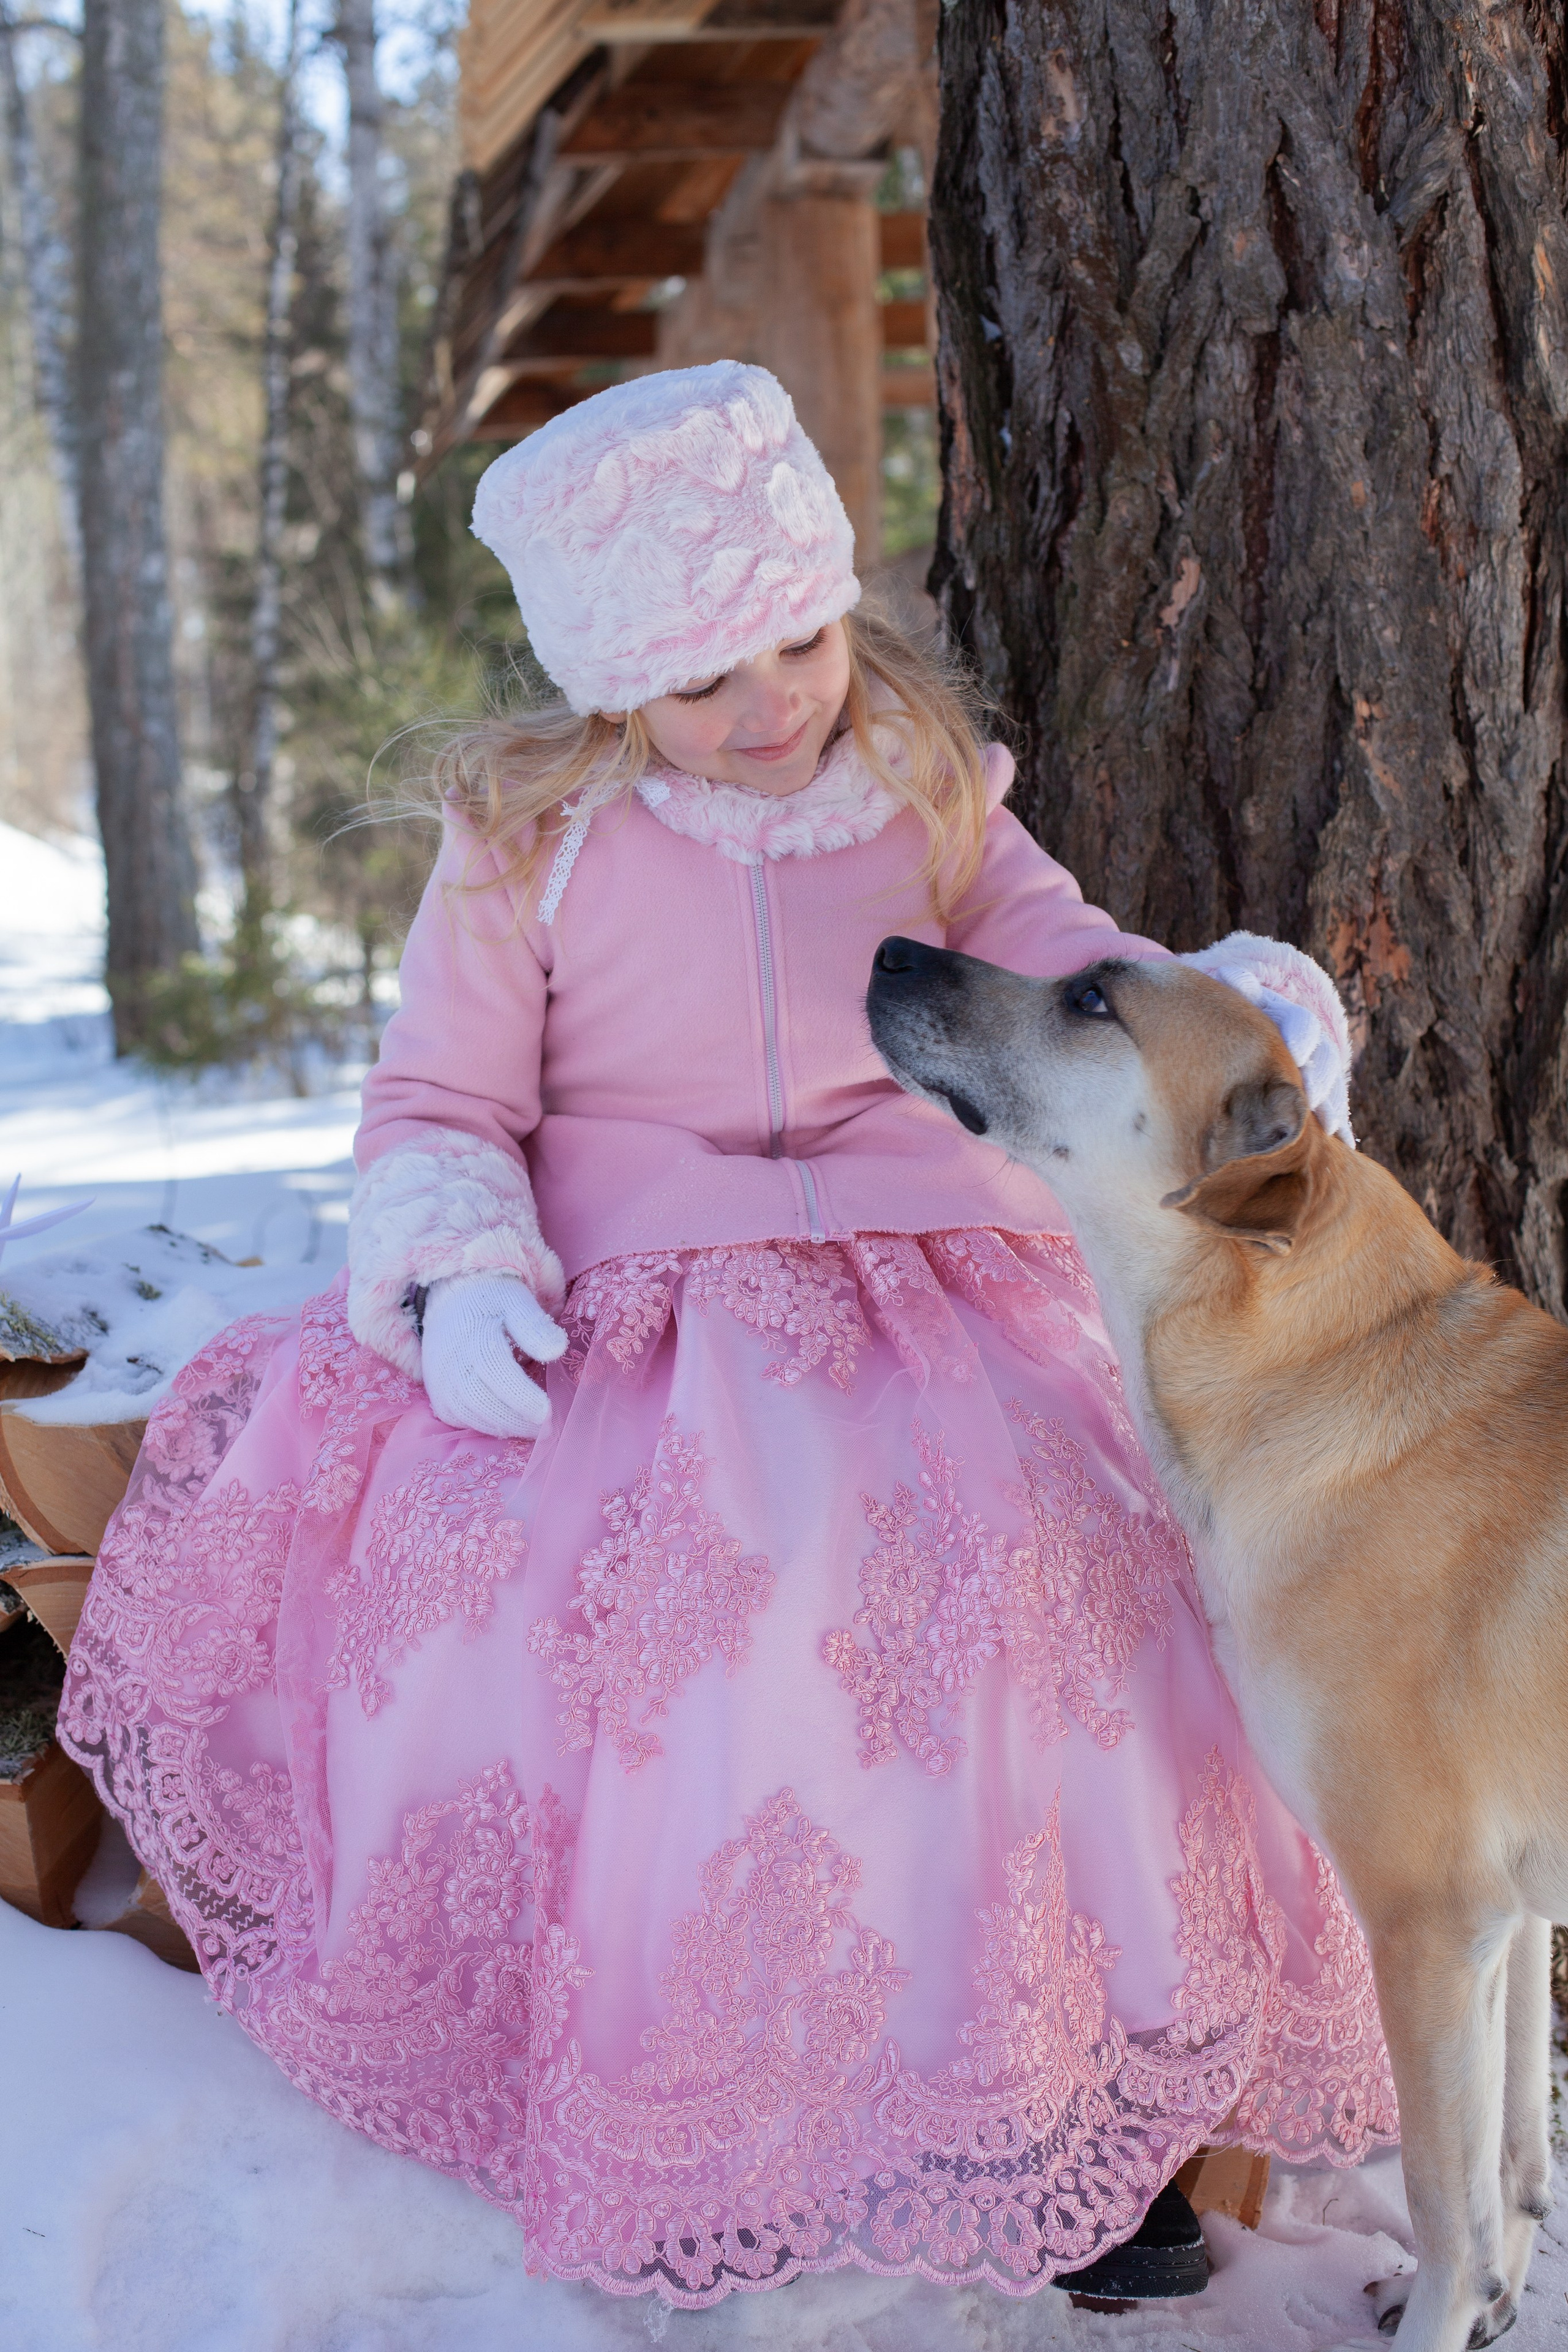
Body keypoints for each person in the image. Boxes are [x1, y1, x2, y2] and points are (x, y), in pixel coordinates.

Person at [59, 363, 1394, 2314]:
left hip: (938, 1275)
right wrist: (461, 1274)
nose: (773, 705)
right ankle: (693, 2080)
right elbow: (439, 1104)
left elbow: (1064, 973)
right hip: (636, 1308)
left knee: (1068, 1585)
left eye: (797, 638)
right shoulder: (531, 840)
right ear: (609, 690)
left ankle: (1074, 2108)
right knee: (689, 1632)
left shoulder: (928, 790)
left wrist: (1217, 1019)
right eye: (705, 680)